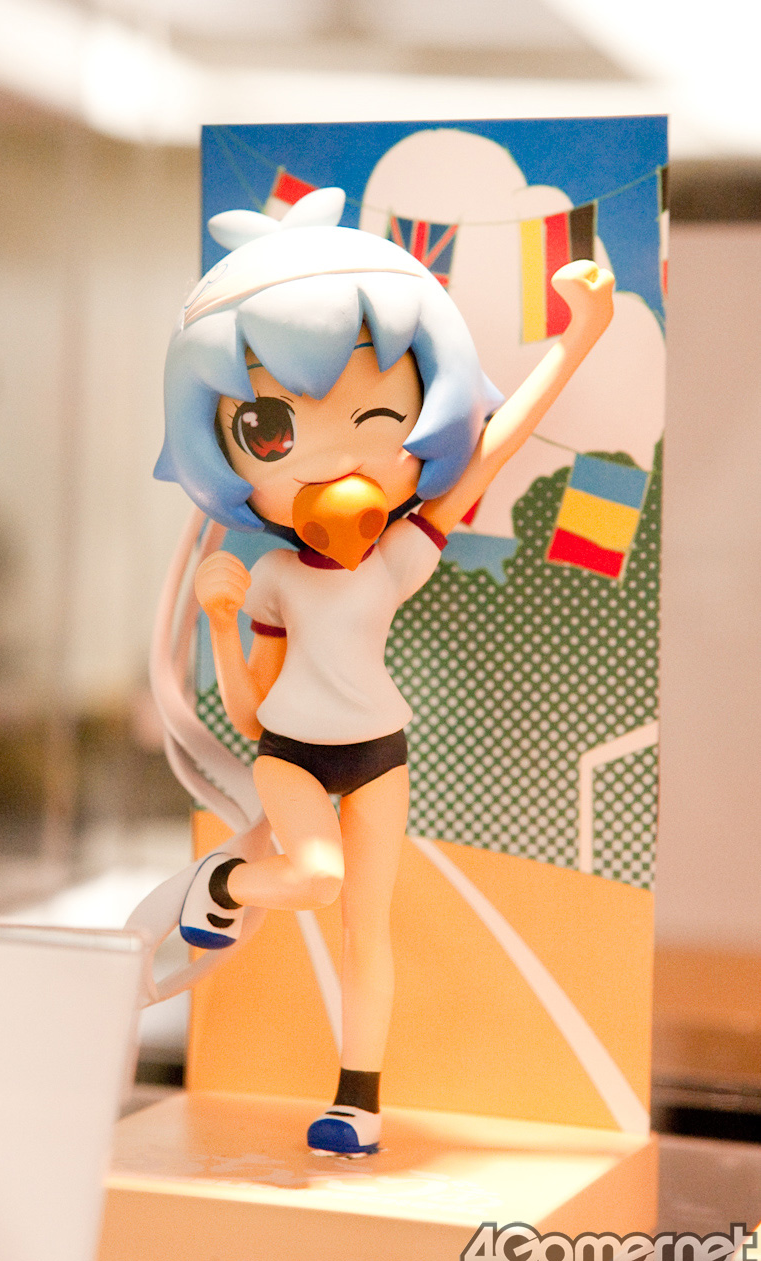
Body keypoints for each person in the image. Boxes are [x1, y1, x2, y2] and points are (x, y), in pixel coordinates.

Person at [151, 187, 614, 1154]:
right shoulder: (275, 577)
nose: (335, 464)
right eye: (271, 432)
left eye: (378, 416)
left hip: (380, 753)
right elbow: (249, 714)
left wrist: (580, 338)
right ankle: (227, 886)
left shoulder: (398, 557)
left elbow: (490, 452)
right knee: (316, 879)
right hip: (291, 752)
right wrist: (223, 621)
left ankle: (355, 1103)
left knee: (369, 927)